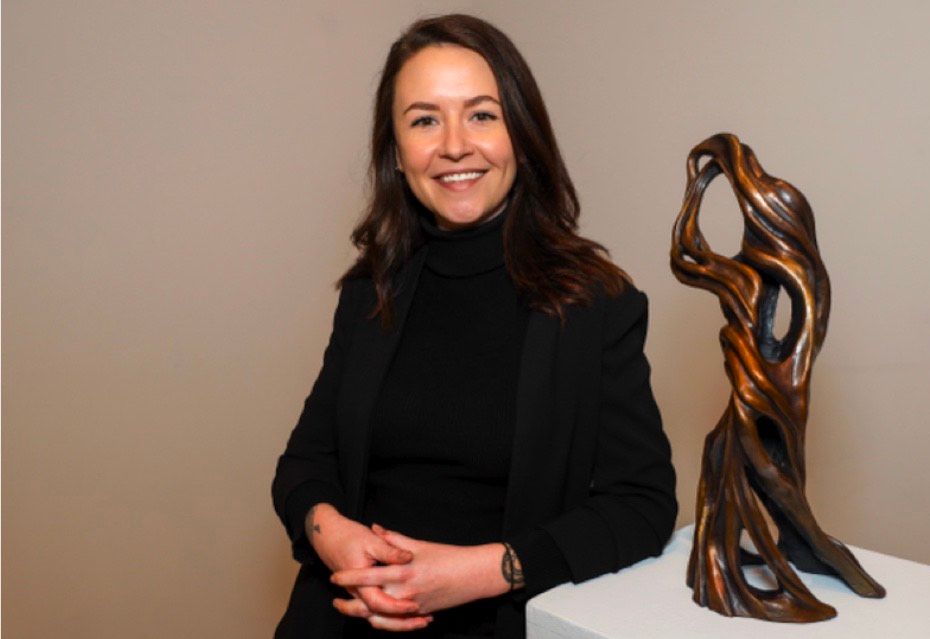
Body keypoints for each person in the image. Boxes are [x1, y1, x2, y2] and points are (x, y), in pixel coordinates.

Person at [271, 14, 677, 639]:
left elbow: (642, 508)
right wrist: (334, 537)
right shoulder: (370, 290)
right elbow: (305, 463)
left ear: (521, 132)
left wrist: (486, 571)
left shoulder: (596, 302)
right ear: (396, 151)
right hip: (344, 616)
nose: (454, 144)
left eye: (482, 114)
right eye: (425, 119)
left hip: (501, 623)